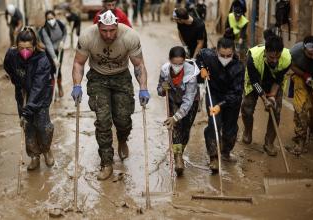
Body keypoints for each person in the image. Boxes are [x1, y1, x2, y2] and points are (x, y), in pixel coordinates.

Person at [71, 10, 150, 180]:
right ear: (98, 26)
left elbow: (139, 65)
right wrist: (77, 85)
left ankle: (122, 138)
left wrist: (143, 87)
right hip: (98, 77)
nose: (108, 35)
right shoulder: (87, 37)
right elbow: (78, 63)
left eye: (112, 30)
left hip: (121, 76)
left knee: (123, 118)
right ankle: (106, 163)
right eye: (104, 31)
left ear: (117, 26)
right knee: (103, 121)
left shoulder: (130, 37)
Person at [4, 28, 55, 170]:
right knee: (28, 127)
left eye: (28, 48)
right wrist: (17, 82)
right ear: (16, 46)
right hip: (23, 93)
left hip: (41, 95)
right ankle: (34, 156)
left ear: (34, 46)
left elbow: (38, 87)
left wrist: (27, 111)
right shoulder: (12, 54)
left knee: (43, 126)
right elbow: (8, 68)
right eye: (21, 48)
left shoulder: (42, 59)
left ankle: (46, 150)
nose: (24, 51)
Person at [197, 37, 245, 172]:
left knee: (230, 130)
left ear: (233, 52)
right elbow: (199, 56)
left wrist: (221, 105)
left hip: (231, 100)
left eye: (228, 55)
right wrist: (202, 68)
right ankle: (213, 157)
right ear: (216, 51)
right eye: (222, 55)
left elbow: (236, 94)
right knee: (214, 124)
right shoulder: (209, 56)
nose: (225, 58)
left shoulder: (239, 67)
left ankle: (225, 152)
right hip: (214, 95)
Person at [241, 34, 292, 156]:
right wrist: (264, 99)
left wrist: (272, 97)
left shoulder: (287, 58)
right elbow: (254, 82)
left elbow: (279, 79)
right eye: (271, 57)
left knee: (276, 110)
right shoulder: (252, 57)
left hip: (273, 81)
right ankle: (247, 131)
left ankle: (269, 142)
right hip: (255, 80)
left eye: (277, 57)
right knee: (247, 107)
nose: (274, 61)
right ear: (265, 51)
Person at [158, 46, 200, 176]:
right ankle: (177, 157)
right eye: (174, 63)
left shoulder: (191, 74)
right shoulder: (165, 71)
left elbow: (188, 101)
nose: (177, 66)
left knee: (185, 130)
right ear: (169, 60)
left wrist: (176, 117)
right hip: (173, 100)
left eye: (180, 63)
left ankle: (180, 152)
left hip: (191, 103)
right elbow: (159, 90)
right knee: (175, 129)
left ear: (185, 61)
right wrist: (162, 88)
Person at [40, 10, 67, 98]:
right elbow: (48, 45)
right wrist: (54, 58)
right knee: (51, 70)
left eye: (52, 18)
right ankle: (52, 89)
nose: (50, 20)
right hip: (50, 51)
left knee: (58, 69)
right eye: (48, 19)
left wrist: (63, 42)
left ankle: (59, 86)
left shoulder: (60, 24)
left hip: (60, 49)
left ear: (55, 17)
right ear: (46, 20)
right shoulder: (44, 30)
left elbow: (65, 33)